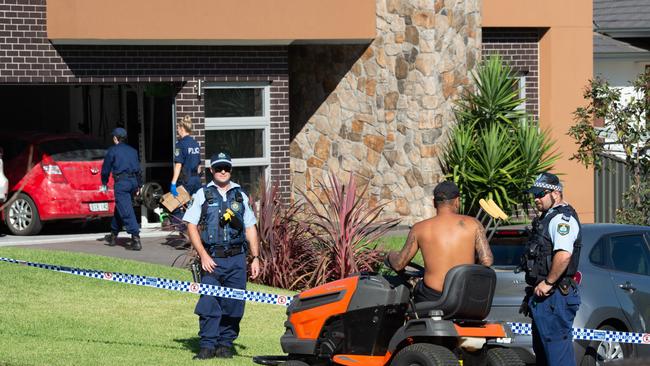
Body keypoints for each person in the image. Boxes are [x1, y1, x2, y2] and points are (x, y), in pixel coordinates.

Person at [182, 151, 261, 360]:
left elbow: (250, 227)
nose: (223, 171)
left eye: (226, 168)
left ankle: (225, 344)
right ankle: (207, 345)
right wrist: (203, 256)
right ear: (211, 171)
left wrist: (255, 257)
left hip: (236, 258)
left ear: (231, 170)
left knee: (234, 304)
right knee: (209, 303)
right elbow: (191, 226)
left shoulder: (240, 195)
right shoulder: (202, 194)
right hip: (212, 259)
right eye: (218, 168)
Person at [387, 181, 493, 303]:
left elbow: (399, 264)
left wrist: (390, 255)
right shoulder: (474, 224)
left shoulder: (419, 228)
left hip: (433, 298)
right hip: (465, 298)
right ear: (457, 201)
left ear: (434, 203)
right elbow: (487, 260)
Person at [520, 172, 581, 366]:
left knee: (558, 357)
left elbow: (564, 255)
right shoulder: (547, 219)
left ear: (555, 193)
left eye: (540, 193)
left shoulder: (562, 220)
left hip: (556, 296)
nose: (536, 198)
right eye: (534, 194)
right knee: (545, 357)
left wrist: (548, 282)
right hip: (544, 298)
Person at [101, 127, 142, 251]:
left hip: (122, 183)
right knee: (120, 208)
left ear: (115, 138)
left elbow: (105, 169)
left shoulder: (112, 151)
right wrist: (139, 185)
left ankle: (136, 238)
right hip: (133, 182)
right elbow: (139, 170)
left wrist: (104, 182)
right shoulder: (133, 151)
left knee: (126, 210)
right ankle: (113, 235)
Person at [170, 115, 201, 229]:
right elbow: (199, 166)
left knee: (178, 207)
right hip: (196, 180)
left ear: (182, 128)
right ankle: (196, 232)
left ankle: (184, 235)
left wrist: (173, 183)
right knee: (195, 207)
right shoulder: (196, 144)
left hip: (185, 181)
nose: (177, 130)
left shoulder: (180, 145)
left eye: (178, 128)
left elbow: (178, 165)